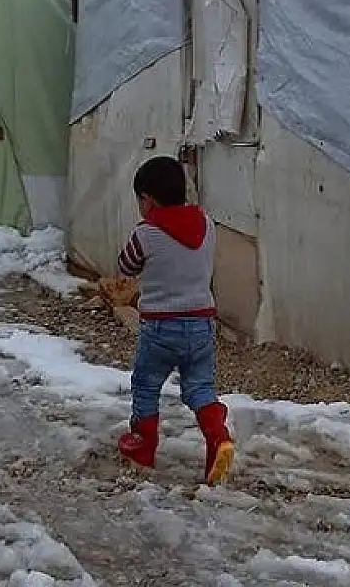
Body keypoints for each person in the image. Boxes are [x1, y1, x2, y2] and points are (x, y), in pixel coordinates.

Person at [114, 155, 235, 485]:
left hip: (160, 327)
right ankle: (218, 438)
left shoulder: (146, 233)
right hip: (202, 324)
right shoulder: (206, 223)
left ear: (148, 199)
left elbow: (126, 267)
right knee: (200, 387)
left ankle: (143, 447)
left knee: (146, 384)